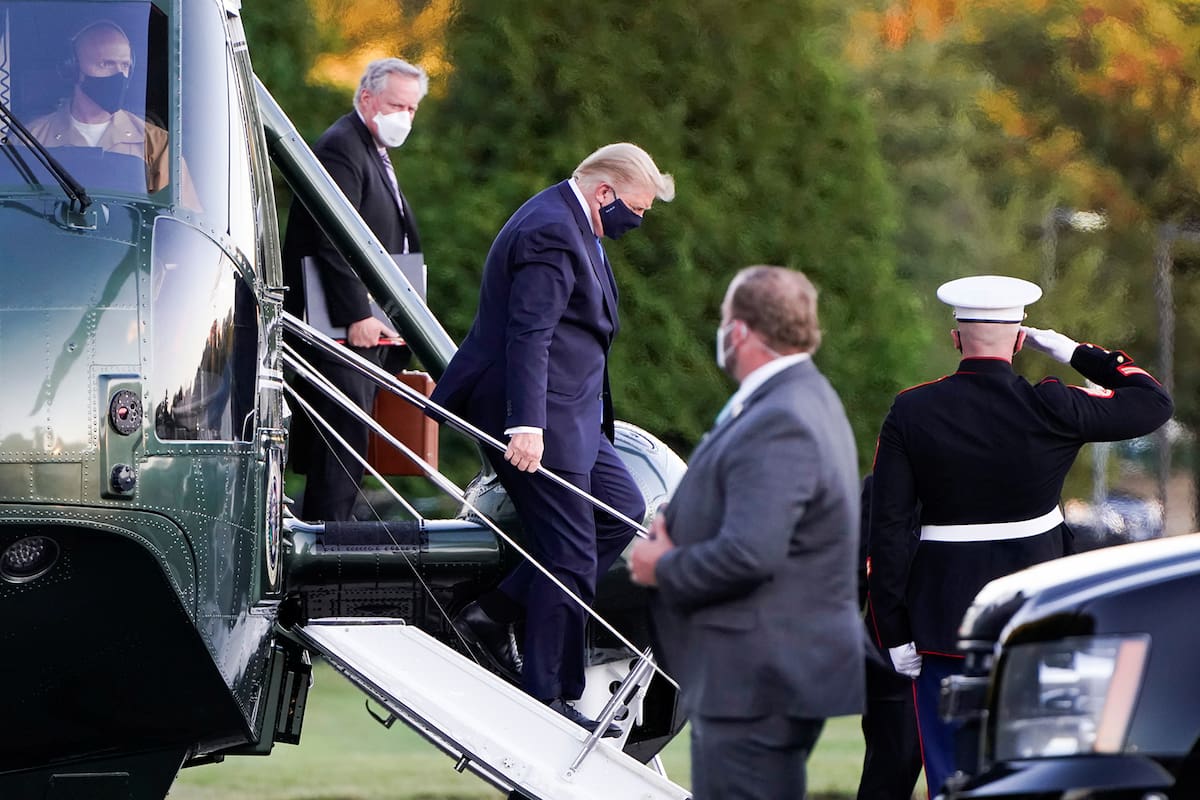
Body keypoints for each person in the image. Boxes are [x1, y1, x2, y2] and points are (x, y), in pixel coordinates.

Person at [867, 274, 1174, 797]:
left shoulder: (913, 410)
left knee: (953, 779)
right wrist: (1077, 352)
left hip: (943, 626)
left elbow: (889, 531)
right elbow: (1152, 403)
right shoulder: (1054, 405)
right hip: (1040, 618)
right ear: (1018, 339)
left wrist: (893, 631)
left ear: (956, 338)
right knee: (1033, 777)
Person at [430, 143, 675, 735]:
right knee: (567, 552)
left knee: (622, 512)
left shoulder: (575, 224)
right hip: (537, 415)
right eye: (637, 209)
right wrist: (525, 425)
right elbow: (529, 334)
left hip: (577, 416)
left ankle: (494, 613)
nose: (638, 222)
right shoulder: (551, 231)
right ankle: (548, 695)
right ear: (604, 193)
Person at [629, 266, 864, 800]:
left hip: (757, 673)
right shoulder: (794, 396)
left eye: (724, 320)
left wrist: (660, 564)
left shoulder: (783, 415)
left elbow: (752, 553)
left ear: (740, 332)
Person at [282, 58, 427, 522]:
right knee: (339, 439)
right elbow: (333, 236)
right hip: (339, 330)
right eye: (396, 105)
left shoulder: (372, 151)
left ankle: (334, 531)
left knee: (351, 442)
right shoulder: (342, 147)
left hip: (370, 327)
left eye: (412, 108)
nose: (405, 117)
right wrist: (355, 315)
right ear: (367, 99)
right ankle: (327, 543)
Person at [28, 19, 199, 207]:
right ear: (73, 69)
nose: (120, 75)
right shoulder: (30, 140)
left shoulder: (157, 146)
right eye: (106, 64)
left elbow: (177, 222)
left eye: (125, 66)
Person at [856, 475, 922, 800]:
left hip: (954, 645)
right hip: (891, 660)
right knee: (889, 775)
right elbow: (856, 572)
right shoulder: (879, 487)